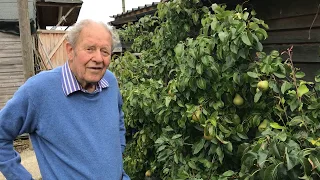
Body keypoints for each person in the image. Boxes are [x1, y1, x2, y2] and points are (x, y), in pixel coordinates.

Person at [0, 19, 130, 179]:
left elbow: (118, 120)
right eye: (90, 49)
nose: (98, 58)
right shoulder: (39, 90)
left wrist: (117, 157)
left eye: (105, 51)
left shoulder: (109, 82)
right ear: (70, 50)